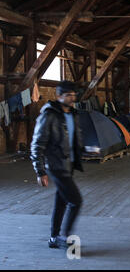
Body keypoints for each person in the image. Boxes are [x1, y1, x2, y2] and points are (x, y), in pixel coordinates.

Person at [30, 81, 85, 249]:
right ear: (59, 96)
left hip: (69, 164)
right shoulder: (49, 115)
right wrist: (40, 171)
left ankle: (54, 237)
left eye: (73, 95)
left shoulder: (73, 114)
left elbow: (72, 138)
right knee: (76, 201)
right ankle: (65, 237)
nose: (72, 98)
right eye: (68, 95)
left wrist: (84, 150)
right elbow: (37, 144)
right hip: (56, 165)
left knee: (61, 202)